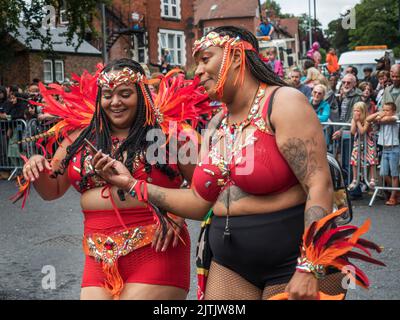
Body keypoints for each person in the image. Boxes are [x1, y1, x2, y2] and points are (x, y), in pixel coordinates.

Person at [92, 26, 360, 300]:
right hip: (230, 265)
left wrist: (309, 266)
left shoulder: (283, 103)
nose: (196, 71)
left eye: (205, 58)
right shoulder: (218, 123)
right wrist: (133, 184)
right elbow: (199, 201)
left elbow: (319, 185)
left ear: (235, 56)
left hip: (290, 263)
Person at [21, 59, 200, 300]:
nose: (115, 102)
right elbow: (51, 190)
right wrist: (36, 166)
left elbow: (207, 190)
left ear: (142, 95)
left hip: (157, 248)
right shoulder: (79, 139)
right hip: (97, 257)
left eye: (125, 94)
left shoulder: (171, 136)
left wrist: (177, 213)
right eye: (107, 95)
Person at [367, 102, 399, 205]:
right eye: (383, 109)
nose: (385, 112)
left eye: (387, 110)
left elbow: (387, 119)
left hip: (394, 148)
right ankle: (397, 192)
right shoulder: (381, 117)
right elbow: (368, 119)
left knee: (394, 174)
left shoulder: (396, 117)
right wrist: (378, 114)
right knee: (383, 173)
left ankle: (393, 197)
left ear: (393, 111)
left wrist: (381, 117)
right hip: (385, 149)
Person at [332, 74, 362, 184]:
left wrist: (341, 131)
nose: (345, 84)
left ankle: (353, 189)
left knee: (349, 162)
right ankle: (348, 187)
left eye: (348, 82)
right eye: (344, 82)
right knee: (343, 162)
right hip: (343, 132)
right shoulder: (343, 95)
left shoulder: (357, 96)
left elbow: (353, 118)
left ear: (354, 84)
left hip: (351, 133)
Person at [348, 102, 378, 191]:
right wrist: (355, 121)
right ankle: (354, 179)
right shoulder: (354, 119)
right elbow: (353, 132)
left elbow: (362, 131)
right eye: (354, 110)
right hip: (358, 142)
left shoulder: (367, 119)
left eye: (358, 110)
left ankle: (372, 178)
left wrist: (357, 121)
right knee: (354, 159)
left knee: (371, 160)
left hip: (368, 142)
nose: (355, 112)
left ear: (363, 111)